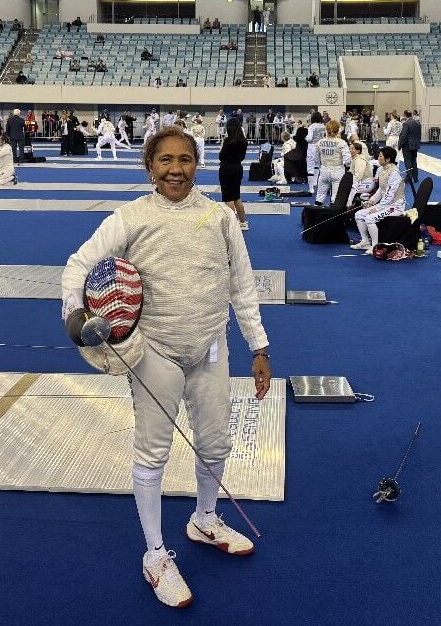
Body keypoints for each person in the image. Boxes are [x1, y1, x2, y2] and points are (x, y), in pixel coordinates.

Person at [60, 126, 271, 609]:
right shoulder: (131, 217)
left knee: (216, 440)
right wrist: (75, 314)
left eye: (186, 160)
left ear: (198, 163)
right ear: (150, 167)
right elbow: (78, 264)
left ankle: (204, 518)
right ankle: (155, 554)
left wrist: (259, 347)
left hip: (211, 346)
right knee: (153, 452)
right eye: (165, 161)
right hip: (154, 348)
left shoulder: (219, 218)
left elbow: (242, 286)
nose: (176, 170)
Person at [351, 146, 406, 254]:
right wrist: (372, 201)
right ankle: (365, 241)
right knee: (359, 214)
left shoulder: (394, 173)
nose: (379, 158)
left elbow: (389, 195)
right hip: (386, 205)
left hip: (395, 206)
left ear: (388, 159)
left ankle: (375, 246)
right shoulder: (382, 170)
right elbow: (381, 189)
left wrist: (377, 208)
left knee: (370, 218)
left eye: (381, 156)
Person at [219, 117, 249, 230]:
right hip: (238, 168)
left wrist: (222, 146)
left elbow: (221, 157)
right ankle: (243, 223)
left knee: (228, 197)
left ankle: (231, 225)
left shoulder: (228, 141)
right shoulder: (244, 141)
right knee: (236, 196)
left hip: (226, 168)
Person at [314, 120, 349, 206]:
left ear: (326, 130)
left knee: (319, 197)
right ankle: (332, 216)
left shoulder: (320, 142)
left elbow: (316, 159)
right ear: (338, 130)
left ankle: (314, 216)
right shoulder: (342, 142)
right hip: (338, 171)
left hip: (324, 170)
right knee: (335, 197)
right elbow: (348, 160)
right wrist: (344, 165)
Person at [398, 110, 422, 185]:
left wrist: (400, 145)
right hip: (416, 144)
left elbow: (404, 136)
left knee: (408, 161)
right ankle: (415, 178)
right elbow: (419, 135)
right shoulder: (418, 123)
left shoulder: (406, 124)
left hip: (407, 145)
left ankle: (408, 177)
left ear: (405, 115)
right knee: (414, 161)